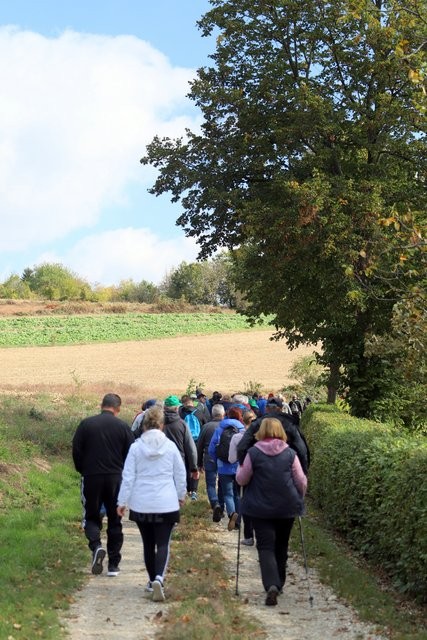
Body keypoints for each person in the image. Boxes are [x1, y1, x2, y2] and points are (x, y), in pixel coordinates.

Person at [117, 405, 186, 602]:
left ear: (144, 425)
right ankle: (158, 578)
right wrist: (181, 494)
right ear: (162, 426)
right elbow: (179, 474)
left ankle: (150, 580)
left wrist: (122, 501)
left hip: (142, 502)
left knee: (148, 543)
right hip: (166, 501)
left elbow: (128, 476)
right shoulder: (170, 447)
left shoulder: (136, 447)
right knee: (163, 542)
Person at [236, 417, 307, 606]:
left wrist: (239, 473)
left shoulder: (253, 452)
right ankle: (279, 583)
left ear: (261, 432)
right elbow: (301, 481)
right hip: (288, 506)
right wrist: (300, 496)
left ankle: (271, 584)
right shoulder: (291, 453)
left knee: (265, 546)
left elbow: (242, 479)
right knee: (281, 545)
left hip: (260, 508)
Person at [72, 393, 134, 576]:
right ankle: (113, 564)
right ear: (118, 408)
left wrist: (83, 469)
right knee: (115, 520)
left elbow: (76, 450)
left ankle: (96, 546)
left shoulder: (86, 424)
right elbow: (131, 454)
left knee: (91, 516)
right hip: (116, 478)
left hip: (92, 476)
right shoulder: (123, 427)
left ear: (102, 405)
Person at [236, 397, 310, 475]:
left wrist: (246, 469)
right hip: (286, 472)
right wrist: (303, 472)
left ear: (266, 408)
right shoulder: (290, 424)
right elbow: (302, 450)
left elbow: (241, 448)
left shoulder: (256, 424)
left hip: (259, 472)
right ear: (281, 409)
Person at [208, 407, 245, 531]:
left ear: (227, 415)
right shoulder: (242, 430)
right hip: (239, 466)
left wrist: (217, 459)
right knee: (237, 494)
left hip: (223, 467)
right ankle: (238, 521)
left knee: (227, 494)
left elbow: (211, 449)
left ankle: (231, 514)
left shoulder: (220, 429)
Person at [228, 408, 257, 546]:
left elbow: (232, 458)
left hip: (243, 472)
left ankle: (249, 536)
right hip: (259, 474)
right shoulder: (260, 436)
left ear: (242, 420)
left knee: (245, 501)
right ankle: (261, 532)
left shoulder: (237, 437)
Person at [163, 395, 200, 499]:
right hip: (178, 462)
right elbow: (191, 448)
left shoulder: (157, 423)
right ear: (176, 408)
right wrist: (193, 468)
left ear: (164, 408)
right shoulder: (182, 424)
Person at [196, 403, 225, 521]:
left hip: (209, 458)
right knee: (223, 484)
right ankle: (221, 508)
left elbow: (199, 445)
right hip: (224, 459)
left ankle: (215, 503)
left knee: (211, 484)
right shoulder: (227, 426)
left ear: (212, 414)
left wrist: (198, 463)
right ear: (223, 414)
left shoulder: (206, 427)